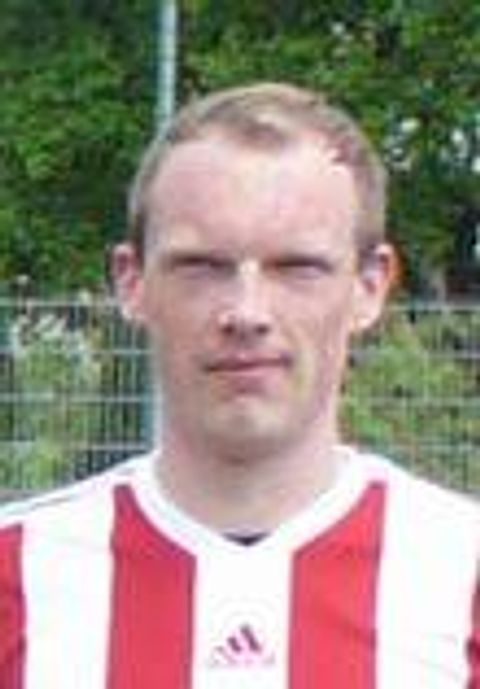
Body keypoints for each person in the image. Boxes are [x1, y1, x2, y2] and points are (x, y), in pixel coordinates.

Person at [0, 82, 478, 689]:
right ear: (131, 281)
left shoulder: (464, 580)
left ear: (370, 286)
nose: (247, 312)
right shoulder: (16, 577)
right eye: (201, 266)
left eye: (297, 267)